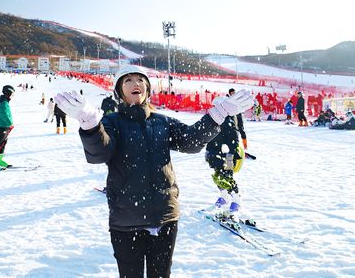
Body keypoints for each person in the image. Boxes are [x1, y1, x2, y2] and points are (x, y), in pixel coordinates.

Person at [55, 65, 253, 278]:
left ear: (147, 89)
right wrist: (90, 124)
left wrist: (218, 114)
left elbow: (190, 141)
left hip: (165, 217)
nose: (135, 84)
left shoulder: (161, 121)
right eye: (128, 80)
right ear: (119, 91)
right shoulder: (111, 123)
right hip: (126, 221)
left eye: (140, 80)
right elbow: (100, 154)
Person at [205, 97, 246, 213]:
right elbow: (209, 137)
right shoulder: (213, 120)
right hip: (215, 154)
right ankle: (224, 196)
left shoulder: (228, 120)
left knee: (227, 177)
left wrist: (231, 151)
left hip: (227, 155)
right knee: (218, 177)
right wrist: (209, 152)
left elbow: (233, 137)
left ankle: (237, 200)